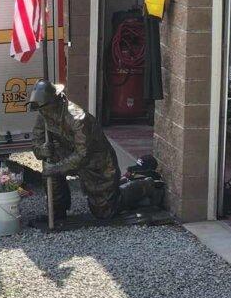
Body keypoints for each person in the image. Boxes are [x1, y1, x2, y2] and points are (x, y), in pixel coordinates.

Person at [28, 80, 148, 221]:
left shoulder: (77, 118)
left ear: (56, 102)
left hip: (96, 162)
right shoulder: (44, 114)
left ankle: (144, 185)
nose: (42, 112)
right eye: (41, 109)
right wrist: (42, 151)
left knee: (105, 212)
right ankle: (57, 211)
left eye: (45, 108)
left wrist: (56, 168)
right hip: (68, 155)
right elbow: (36, 142)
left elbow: (82, 154)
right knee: (50, 164)